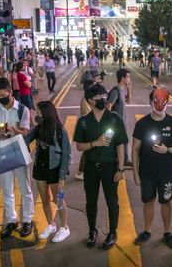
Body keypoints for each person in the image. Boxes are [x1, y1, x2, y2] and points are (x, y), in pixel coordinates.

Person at [73, 83, 128, 249]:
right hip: (90, 167)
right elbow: (79, 146)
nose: (103, 100)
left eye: (105, 96)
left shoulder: (114, 118)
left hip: (110, 167)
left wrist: (121, 169)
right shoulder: (83, 122)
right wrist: (95, 143)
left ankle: (112, 232)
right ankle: (92, 231)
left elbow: (120, 145)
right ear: (90, 101)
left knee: (112, 201)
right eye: (99, 98)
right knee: (91, 201)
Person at [132, 89, 172, 248]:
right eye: (156, 101)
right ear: (150, 102)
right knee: (148, 201)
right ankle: (147, 231)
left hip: (167, 172)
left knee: (166, 202)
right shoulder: (142, 124)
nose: (159, 105)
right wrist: (135, 172)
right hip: (147, 172)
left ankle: (167, 232)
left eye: (163, 102)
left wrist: (167, 150)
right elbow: (135, 149)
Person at [0, 77, 34, 238]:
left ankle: (27, 220)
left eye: (2, 95)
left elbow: (26, 131)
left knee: (24, 188)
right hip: (2, 150)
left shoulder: (23, 110)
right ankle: (11, 220)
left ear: (10, 92)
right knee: (7, 189)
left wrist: (15, 130)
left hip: (18, 149)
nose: (0, 99)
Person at [25, 101, 71, 243]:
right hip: (40, 168)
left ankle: (64, 228)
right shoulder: (38, 128)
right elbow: (26, 139)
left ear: (46, 113)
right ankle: (51, 224)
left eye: (39, 112)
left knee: (58, 200)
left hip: (55, 170)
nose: (37, 115)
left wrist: (62, 175)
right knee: (44, 199)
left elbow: (66, 155)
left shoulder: (60, 131)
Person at [107, 68, 132, 166]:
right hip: (115, 123)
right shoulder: (116, 91)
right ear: (122, 78)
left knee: (123, 140)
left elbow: (129, 101)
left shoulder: (121, 90)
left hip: (121, 121)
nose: (129, 79)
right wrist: (111, 121)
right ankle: (120, 160)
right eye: (128, 77)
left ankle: (124, 160)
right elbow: (109, 105)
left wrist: (129, 88)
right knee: (117, 141)